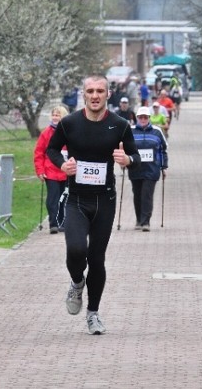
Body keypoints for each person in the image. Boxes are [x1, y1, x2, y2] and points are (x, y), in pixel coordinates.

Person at [46, 74, 141, 335]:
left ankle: (93, 314)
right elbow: (51, 150)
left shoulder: (120, 125)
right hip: (77, 199)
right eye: (90, 91)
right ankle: (77, 283)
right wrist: (62, 165)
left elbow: (134, 155)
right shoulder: (69, 123)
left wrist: (127, 160)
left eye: (100, 91)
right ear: (84, 94)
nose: (95, 95)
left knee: (96, 259)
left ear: (108, 94)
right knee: (76, 250)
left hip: (105, 201)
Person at [129, 107, 168, 232]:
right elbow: (125, 148)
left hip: (152, 169)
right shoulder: (130, 131)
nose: (143, 119)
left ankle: (146, 221)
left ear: (149, 118)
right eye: (141, 117)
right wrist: (124, 161)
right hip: (135, 169)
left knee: (147, 195)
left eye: (145, 117)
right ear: (137, 118)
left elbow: (163, 149)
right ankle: (139, 219)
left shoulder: (157, 131)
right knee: (137, 195)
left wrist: (163, 167)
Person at [34, 105, 69, 234]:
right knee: (52, 199)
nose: (55, 117)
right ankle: (53, 223)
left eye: (58, 115)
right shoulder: (46, 133)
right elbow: (39, 153)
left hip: (65, 172)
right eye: (53, 115)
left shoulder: (68, 132)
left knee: (64, 198)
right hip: (50, 171)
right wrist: (40, 170)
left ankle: (63, 222)